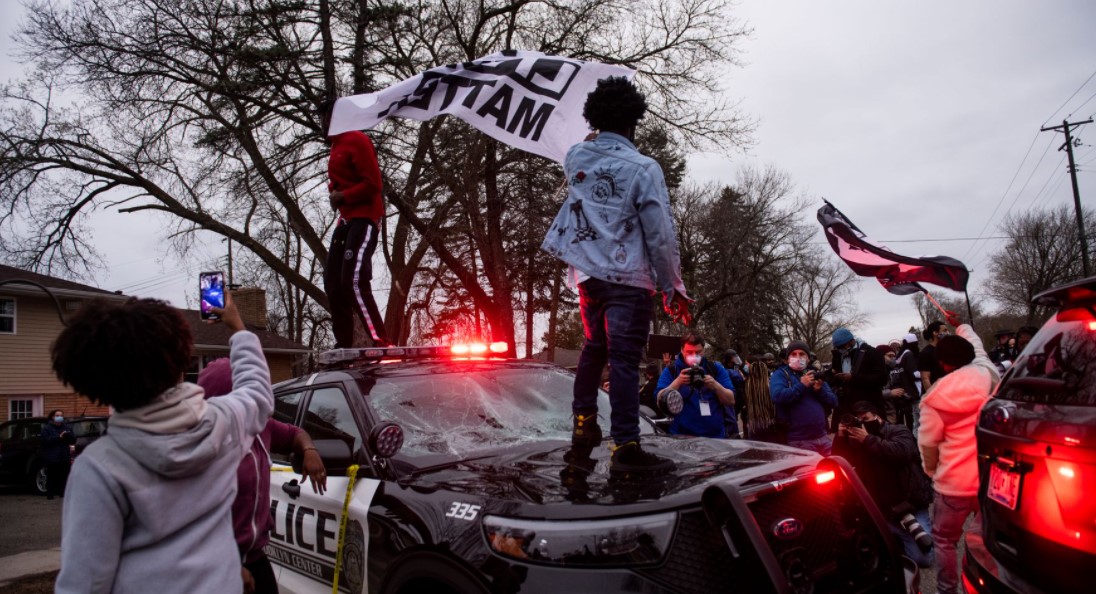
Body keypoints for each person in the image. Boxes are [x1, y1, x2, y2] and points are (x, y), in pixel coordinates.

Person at [52, 293, 274, 594]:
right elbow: (257, 390)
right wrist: (238, 328)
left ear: (92, 384)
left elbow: (84, 584)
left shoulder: (99, 468)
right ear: (179, 357)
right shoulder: (224, 425)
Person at [541, 76, 691, 472]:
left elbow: (585, 150)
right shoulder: (644, 168)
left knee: (594, 349)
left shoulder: (576, 157)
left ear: (596, 118)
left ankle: (584, 425)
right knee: (625, 359)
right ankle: (626, 446)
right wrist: (671, 285)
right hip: (628, 278)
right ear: (633, 122)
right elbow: (659, 233)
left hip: (588, 276)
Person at [198, 359, 328, 594]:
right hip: (216, 564)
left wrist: (309, 449)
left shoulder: (260, 426)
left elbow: (294, 433)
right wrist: (229, 565)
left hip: (256, 557)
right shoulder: (202, 445)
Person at [918, 311, 1001, 594]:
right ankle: (988, 584)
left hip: (953, 482)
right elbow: (976, 345)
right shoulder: (988, 372)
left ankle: (947, 589)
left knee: (944, 541)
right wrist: (961, 324)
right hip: (990, 478)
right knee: (988, 538)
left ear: (942, 363)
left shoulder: (934, 398)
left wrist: (932, 472)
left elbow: (928, 445)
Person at [319, 99, 390, 349]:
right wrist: (334, 191)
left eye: (326, 117)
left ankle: (379, 338)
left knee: (353, 279)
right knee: (332, 282)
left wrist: (344, 196)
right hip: (346, 220)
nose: (323, 123)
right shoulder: (336, 145)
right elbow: (341, 180)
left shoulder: (357, 140)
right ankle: (344, 343)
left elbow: (373, 184)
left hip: (365, 218)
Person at [834, 401, 935, 572]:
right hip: (880, 509)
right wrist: (840, 438)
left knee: (923, 558)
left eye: (865, 419)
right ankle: (893, 537)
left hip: (908, 505)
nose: (861, 424)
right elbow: (838, 462)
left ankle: (918, 533)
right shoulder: (854, 441)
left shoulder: (898, 431)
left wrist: (868, 440)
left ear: (877, 416)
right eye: (857, 420)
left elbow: (900, 452)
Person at [656, 333, 736, 438]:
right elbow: (659, 400)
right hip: (682, 437)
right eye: (689, 352)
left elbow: (731, 400)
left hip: (715, 437)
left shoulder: (715, 368)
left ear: (704, 350)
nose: (694, 356)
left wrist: (715, 386)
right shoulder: (671, 371)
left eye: (698, 352)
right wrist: (677, 382)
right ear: (682, 350)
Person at [770, 340, 838, 455]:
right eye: (793, 354)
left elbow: (834, 401)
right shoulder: (780, 374)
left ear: (808, 358)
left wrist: (819, 390)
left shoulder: (814, 373)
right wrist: (801, 385)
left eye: (802, 354)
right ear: (788, 358)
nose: (798, 357)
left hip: (823, 436)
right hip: (798, 440)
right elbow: (777, 396)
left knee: (835, 468)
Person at [829, 327, 889, 431]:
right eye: (838, 347)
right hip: (846, 408)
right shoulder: (838, 356)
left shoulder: (872, 353)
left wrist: (853, 378)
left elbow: (882, 379)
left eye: (842, 346)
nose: (840, 349)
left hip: (868, 406)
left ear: (851, 342)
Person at [39, 409, 74, 500]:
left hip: (64, 455)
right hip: (52, 456)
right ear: (52, 417)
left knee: (64, 475)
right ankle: (50, 494)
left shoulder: (66, 427)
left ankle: (63, 493)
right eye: (57, 415)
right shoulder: (47, 428)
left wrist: (69, 436)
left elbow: (73, 439)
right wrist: (59, 437)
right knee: (51, 476)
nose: (59, 417)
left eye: (61, 415)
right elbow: (45, 441)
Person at [918, 320, 949, 391]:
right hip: (938, 392)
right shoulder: (926, 353)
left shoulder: (948, 349)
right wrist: (931, 395)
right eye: (944, 330)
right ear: (935, 333)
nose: (947, 333)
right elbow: (925, 378)